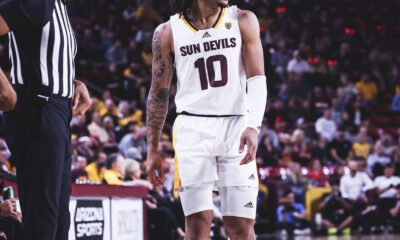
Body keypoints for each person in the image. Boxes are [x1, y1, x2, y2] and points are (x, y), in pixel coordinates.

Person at [146, 0, 267, 239]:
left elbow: (257, 78)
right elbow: (158, 92)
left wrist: (253, 125)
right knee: (198, 223)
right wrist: (152, 148)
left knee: (241, 226)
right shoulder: (167, 31)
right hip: (192, 129)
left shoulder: (243, 19)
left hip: (236, 125)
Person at [0, 1, 91, 239]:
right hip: (38, 111)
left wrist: (73, 82)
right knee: (43, 221)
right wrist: (3, 85)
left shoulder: (57, 5)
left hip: (57, 110)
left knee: (59, 221)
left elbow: (43, 59)